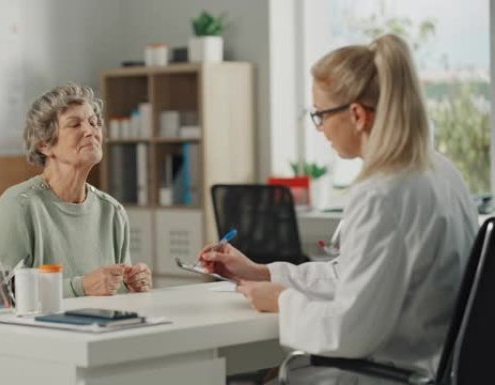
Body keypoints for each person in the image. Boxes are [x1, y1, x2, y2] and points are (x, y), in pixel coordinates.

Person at [197, 34, 478, 383]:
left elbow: (350, 332)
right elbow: (352, 275)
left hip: (390, 373)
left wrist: (282, 301)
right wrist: (263, 273)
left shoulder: (381, 193)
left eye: (320, 114)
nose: (320, 129)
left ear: (357, 114)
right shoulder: (440, 171)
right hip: (430, 366)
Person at [0, 83, 152, 297]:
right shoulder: (19, 204)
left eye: (94, 122)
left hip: (101, 329)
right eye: (74, 124)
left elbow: (116, 295)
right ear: (44, 144)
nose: (91, 131)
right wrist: (79, 287)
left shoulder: (112, 211)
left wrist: (134, 285)